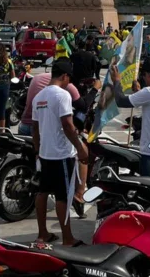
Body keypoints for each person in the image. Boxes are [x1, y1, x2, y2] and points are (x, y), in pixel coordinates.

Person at [32, 58, 88, 246]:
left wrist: (38, 151)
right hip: (61, 154)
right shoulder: (62, 95)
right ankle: (68, 238)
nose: (69, 83)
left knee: (43, 192)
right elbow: (68, 125)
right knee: (63, 196)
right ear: (64, 76)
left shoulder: (39, 97)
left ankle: (42, 234)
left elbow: (34, 127)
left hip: (46, 153)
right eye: (69, 79)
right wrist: (80, 148)